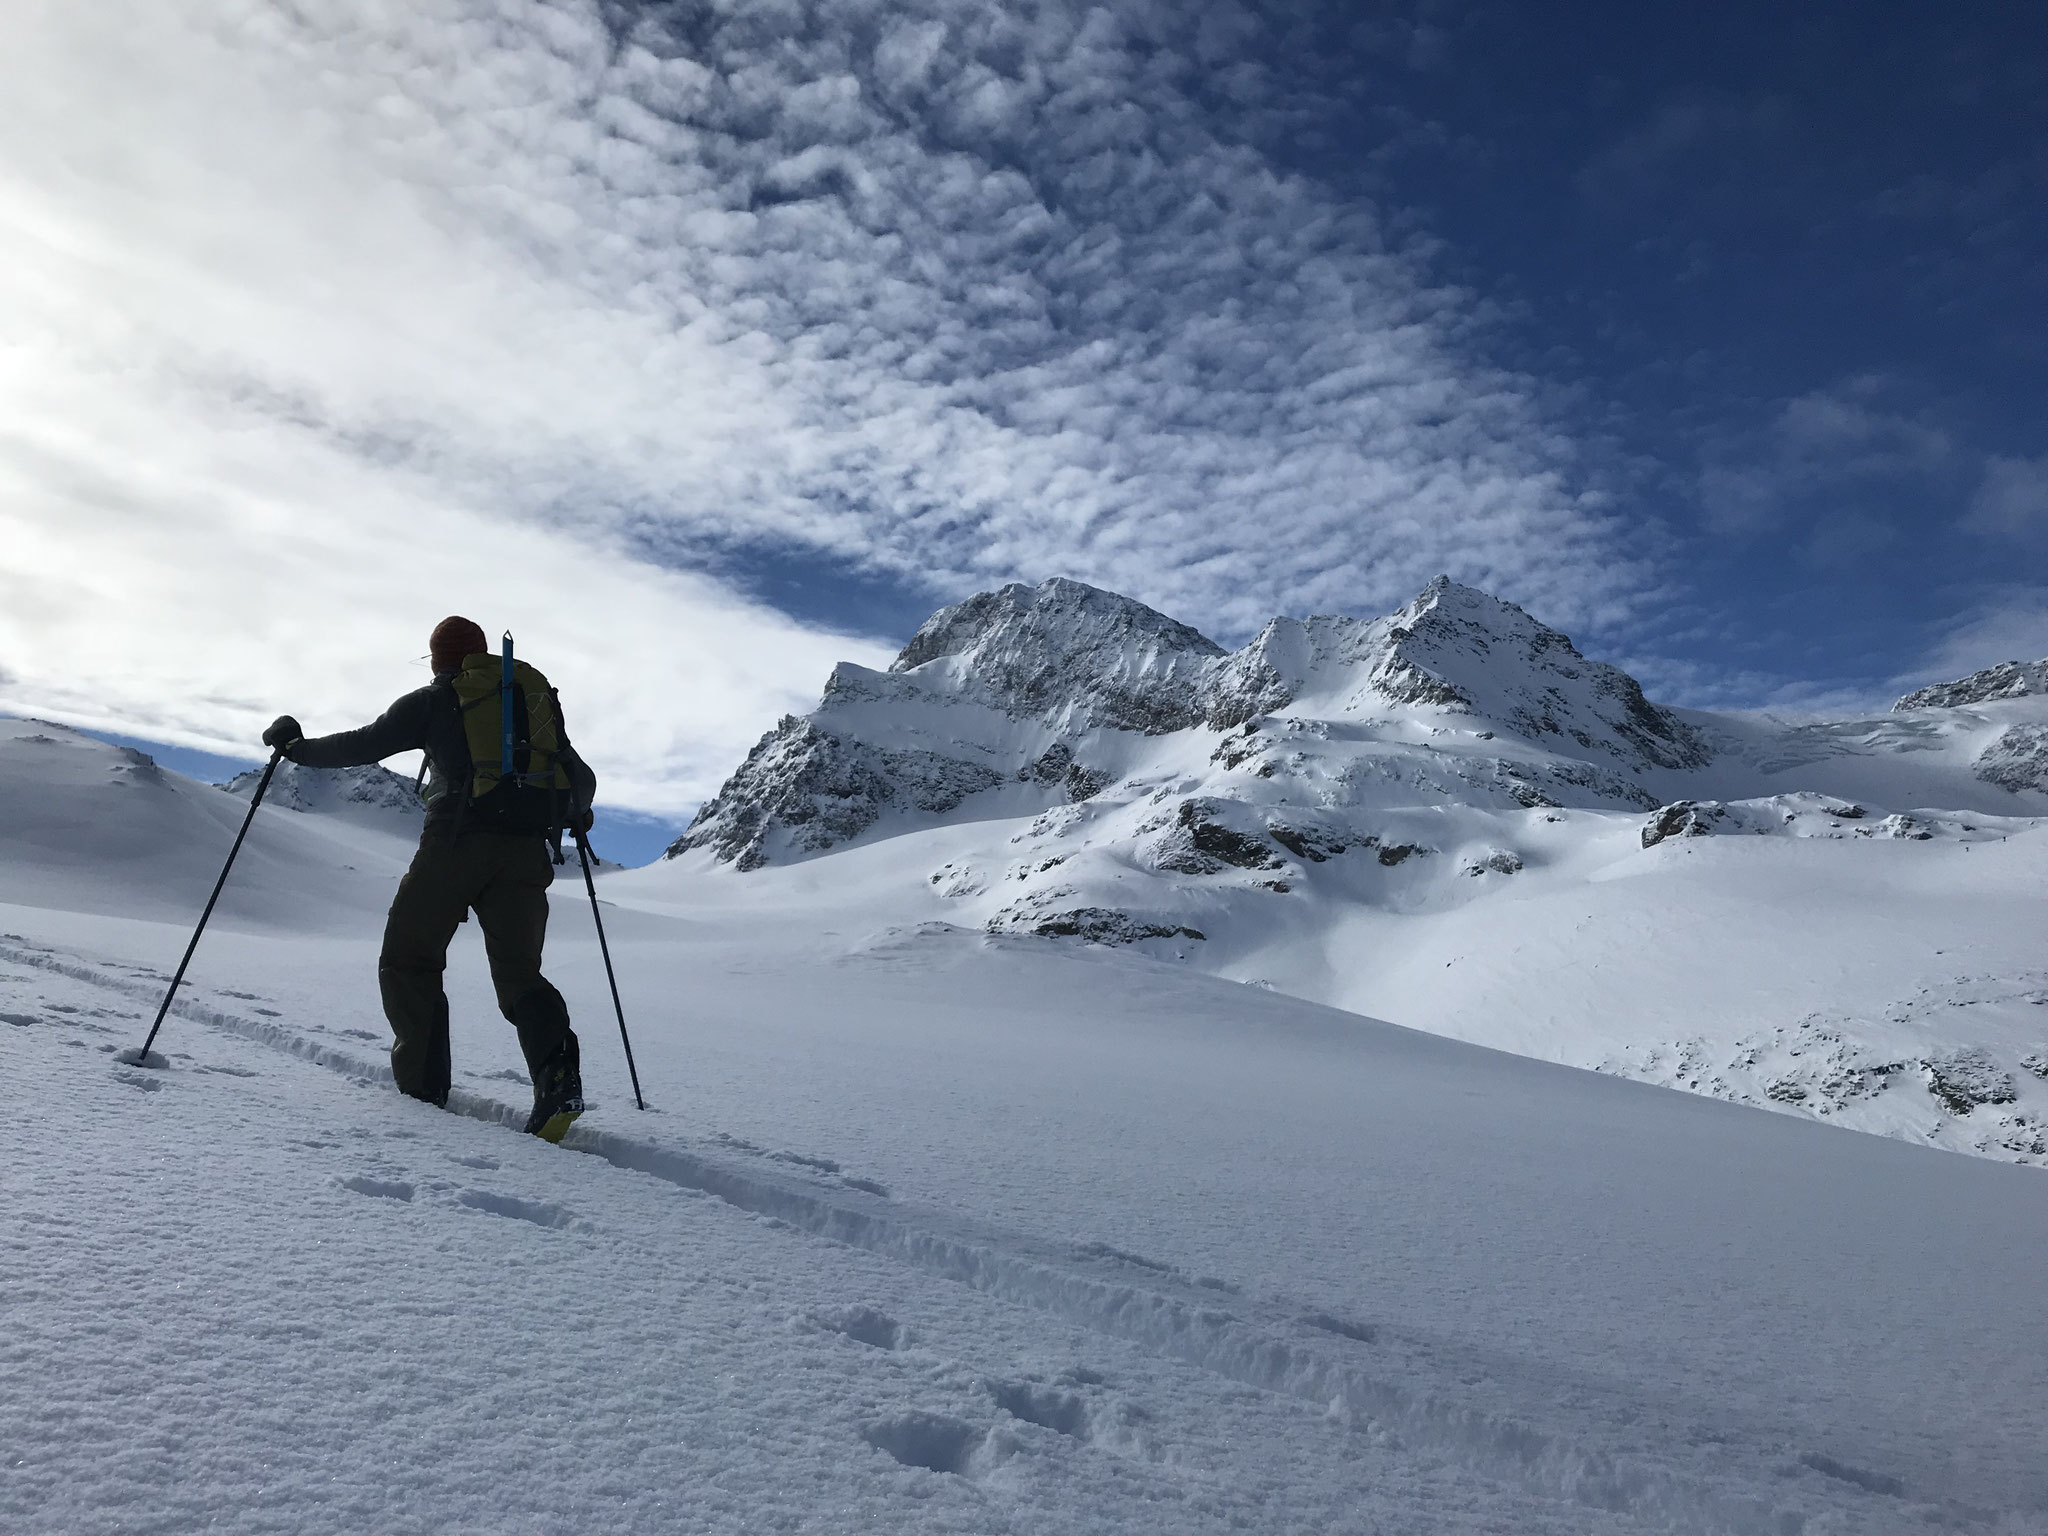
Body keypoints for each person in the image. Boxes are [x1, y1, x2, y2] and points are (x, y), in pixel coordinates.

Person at [262, 616, 598, 1141]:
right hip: (526, 855)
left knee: (408, 959)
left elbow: (363, 743)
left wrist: (296, 748)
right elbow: (582, 779)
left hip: (456, 844)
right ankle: (558, 1081)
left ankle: (422, 1092)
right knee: (519, 977)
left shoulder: (435, 700)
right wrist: (573, 812)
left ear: (440, 658)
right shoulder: (529, 703)